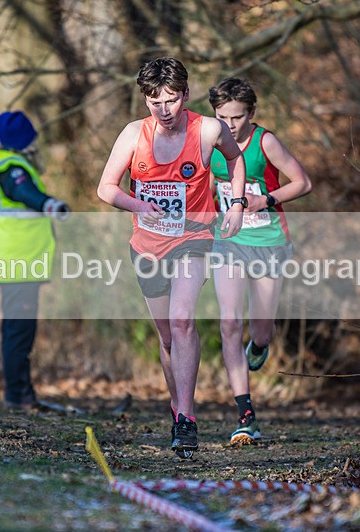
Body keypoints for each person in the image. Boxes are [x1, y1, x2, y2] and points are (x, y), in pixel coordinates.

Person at [97, 57, 247, 458]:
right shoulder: (133, 135)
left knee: (183, 320)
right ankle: (177, 406)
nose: (163, 111)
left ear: (185, 94)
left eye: (170, 101)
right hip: (146, 245)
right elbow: (105, 188)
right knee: (166, 338)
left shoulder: (209, 129)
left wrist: (234, 204)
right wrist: (138, 206)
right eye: (153, 102)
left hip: (193, 238)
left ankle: (187, 419)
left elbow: (235, 159)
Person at [208, 78, 312, 445]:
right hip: (229, 241)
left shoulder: (265, 141)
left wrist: (264, 199)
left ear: (251, 113)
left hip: (268, 241)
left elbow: (303, 182)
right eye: (222, 117)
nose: (230, 125)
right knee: (229, 322)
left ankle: (261, 343)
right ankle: (245, 413)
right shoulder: (210, 141)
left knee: (261, 329)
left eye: (237, 117)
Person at [0, 110, 71, 412]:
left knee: (19, 329)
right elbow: (23, 192)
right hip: (17, 260)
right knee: (19, 330)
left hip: (17, 259)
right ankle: (17, 396)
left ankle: (23, 393)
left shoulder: (1, 162)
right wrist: (49, 204)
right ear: (25, 138)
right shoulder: (11, 167)